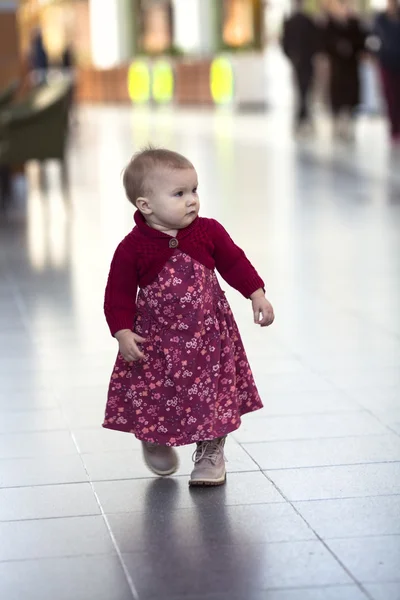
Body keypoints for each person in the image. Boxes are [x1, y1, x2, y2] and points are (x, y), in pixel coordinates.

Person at [103, 148, 274, 487]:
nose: (192, 200)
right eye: (179, 194)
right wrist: (122, 331)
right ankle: (154, 437)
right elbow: (118, 293)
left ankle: (212, 451)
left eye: (194, 190)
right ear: (145, 205)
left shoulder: (208, 232)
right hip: (158, 342)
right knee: (156, 395)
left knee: (213, 395)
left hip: (209, 338)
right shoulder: (133, 248)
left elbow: (234, 263)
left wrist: (256, 293)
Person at [323, 0, 366, 139]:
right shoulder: (330, 24)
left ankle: (349, 127)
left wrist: (351, 48)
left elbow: (362, 43)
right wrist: (338, 46)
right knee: (337, 98)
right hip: (337, 68)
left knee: (351, 97)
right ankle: (337, 126)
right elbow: (325, 44)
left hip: (351, 67)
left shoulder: (355, 24)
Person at [281, 0, 321, 133]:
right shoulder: (292, 21)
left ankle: (303, 118)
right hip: (299, 61)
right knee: (301, 91)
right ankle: (302, 119)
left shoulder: (307, 21)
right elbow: (285, 43)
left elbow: (316, 41)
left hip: (305, 61)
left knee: (305, 91)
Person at [373, 0, 400, 143]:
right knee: (390, 96)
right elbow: (374, 39)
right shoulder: (380, 19)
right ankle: (394, 128)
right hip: (386, 63)